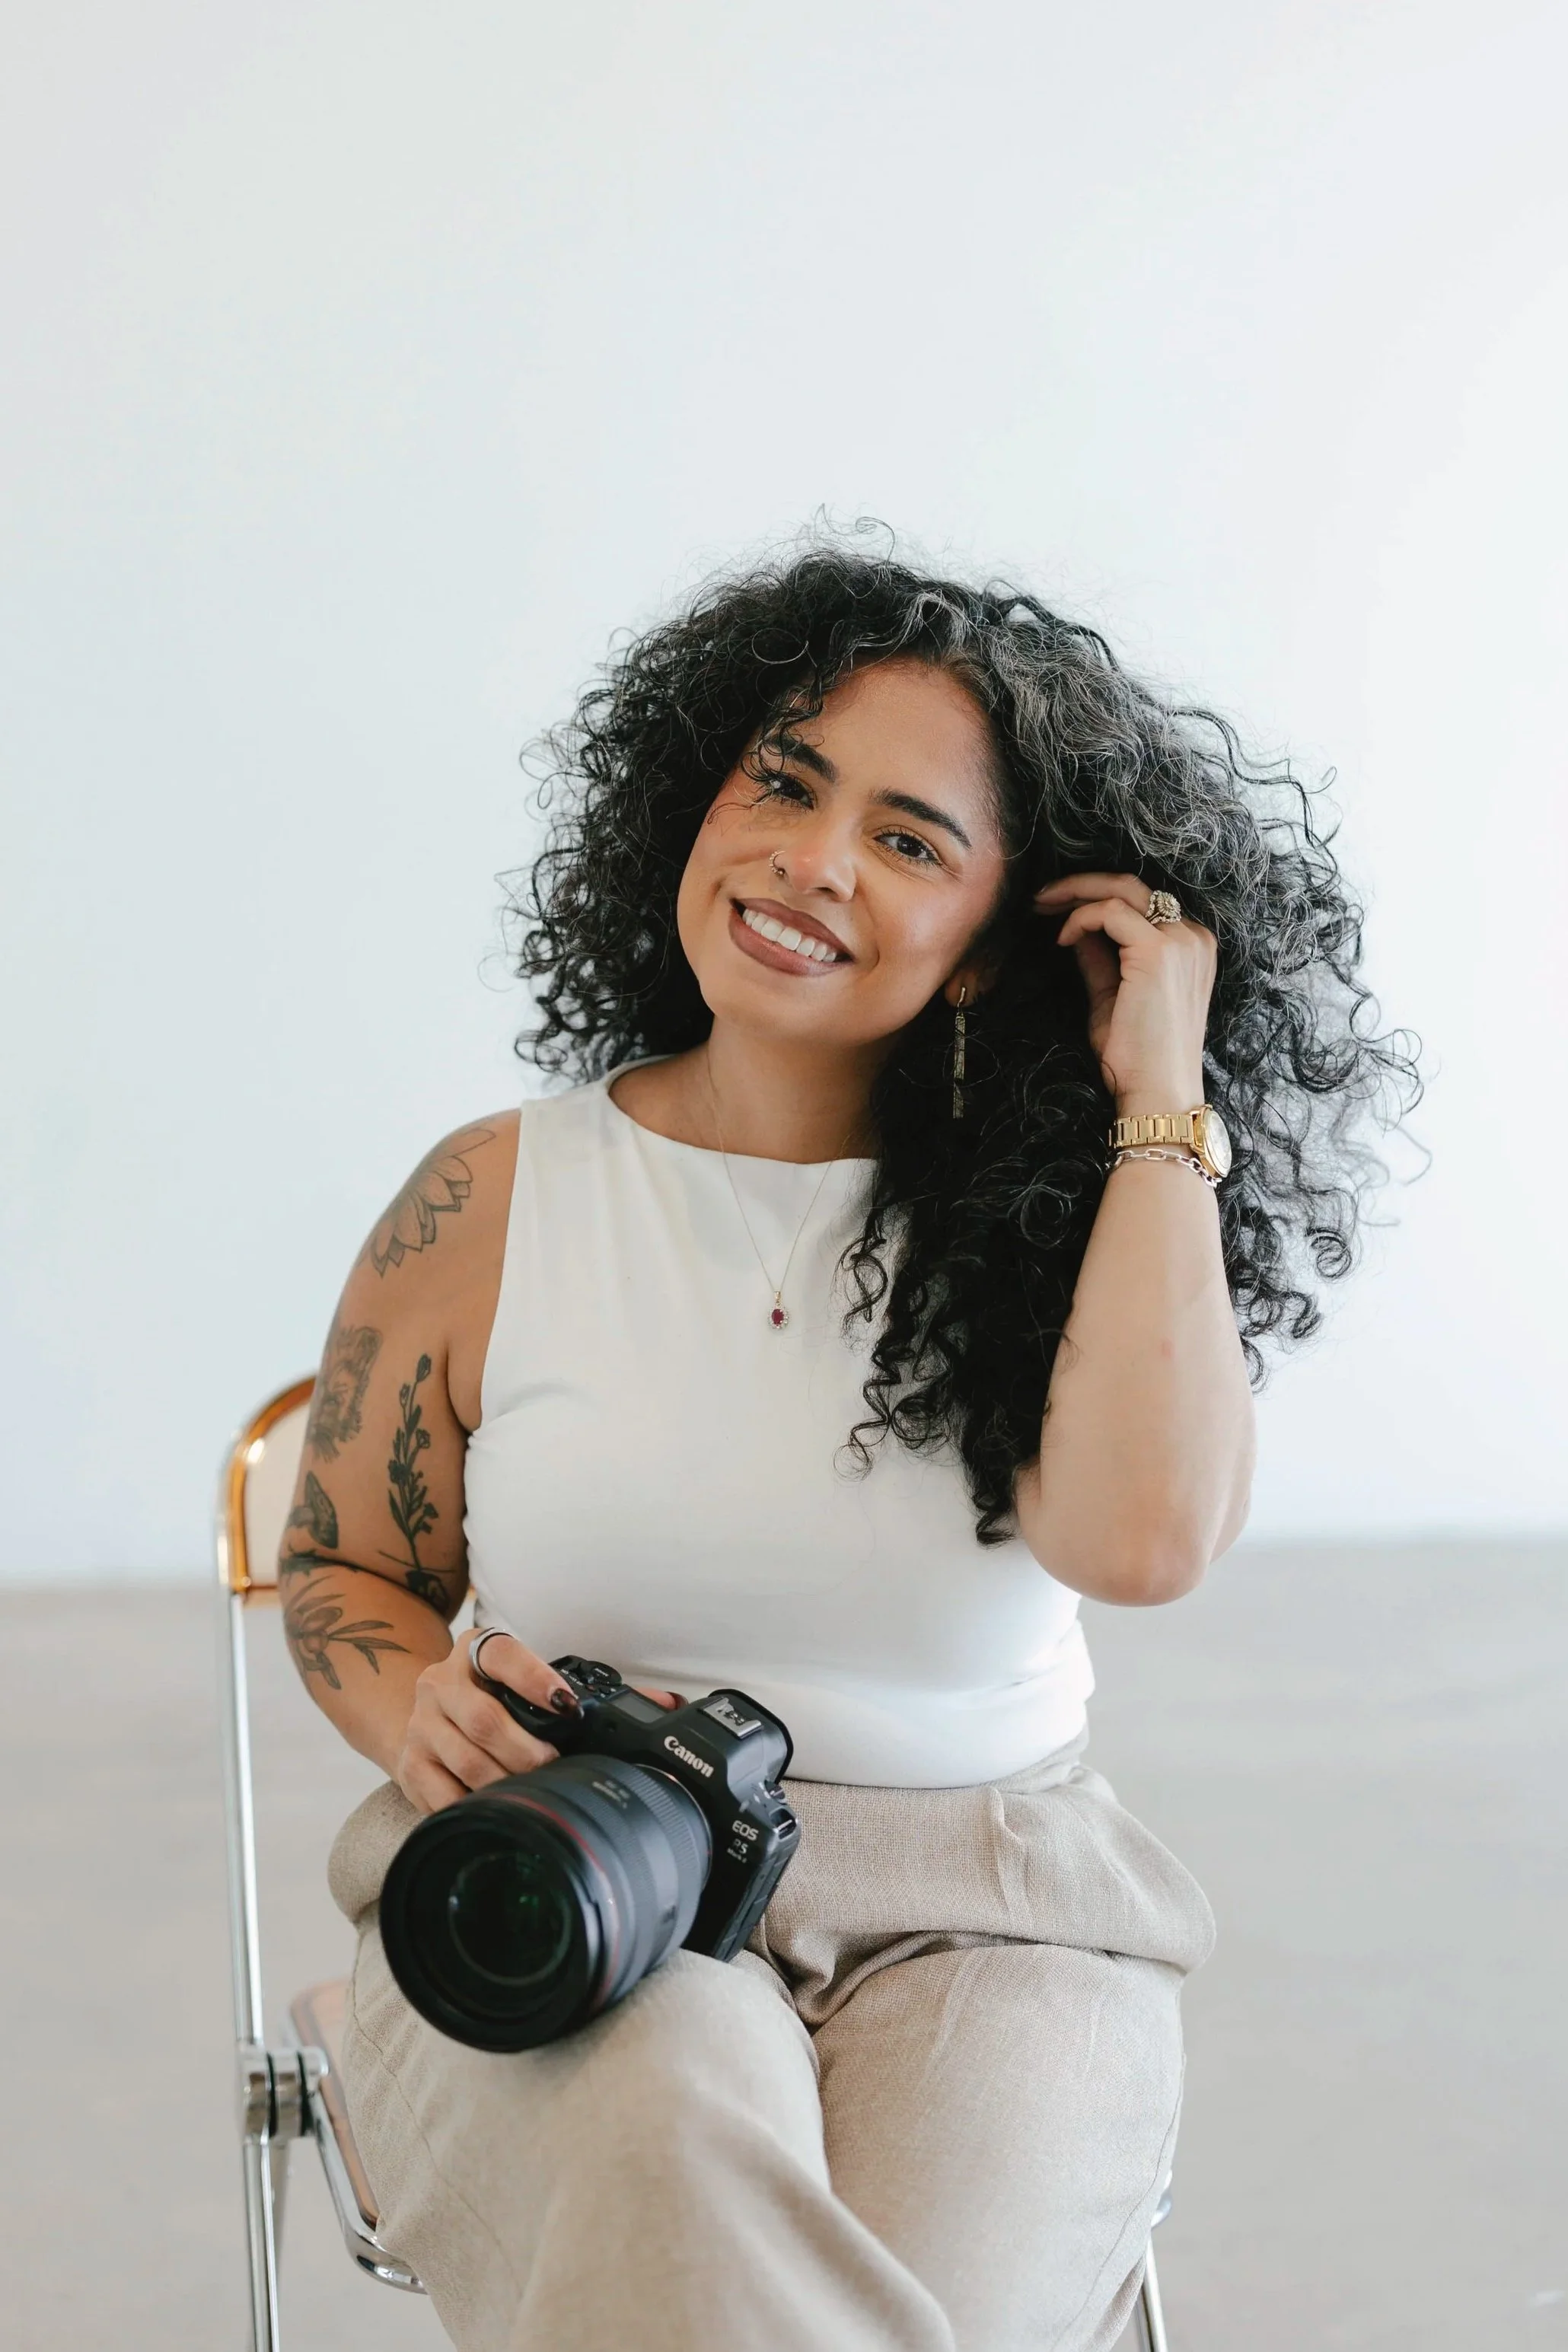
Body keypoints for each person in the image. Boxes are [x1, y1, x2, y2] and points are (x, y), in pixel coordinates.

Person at [281, 541, 1412, 2352]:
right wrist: (407, 1693)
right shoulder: (495, 1199)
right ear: (695, 797)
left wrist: (1158, 1098)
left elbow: (1142, 1545)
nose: (813, 859)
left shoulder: (1058, 1227)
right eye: (786, 784)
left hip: (1000, 1915)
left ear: (996, 941)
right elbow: (347, 1563)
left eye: (908, 839)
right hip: (591, 1872)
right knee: (672, 2165)